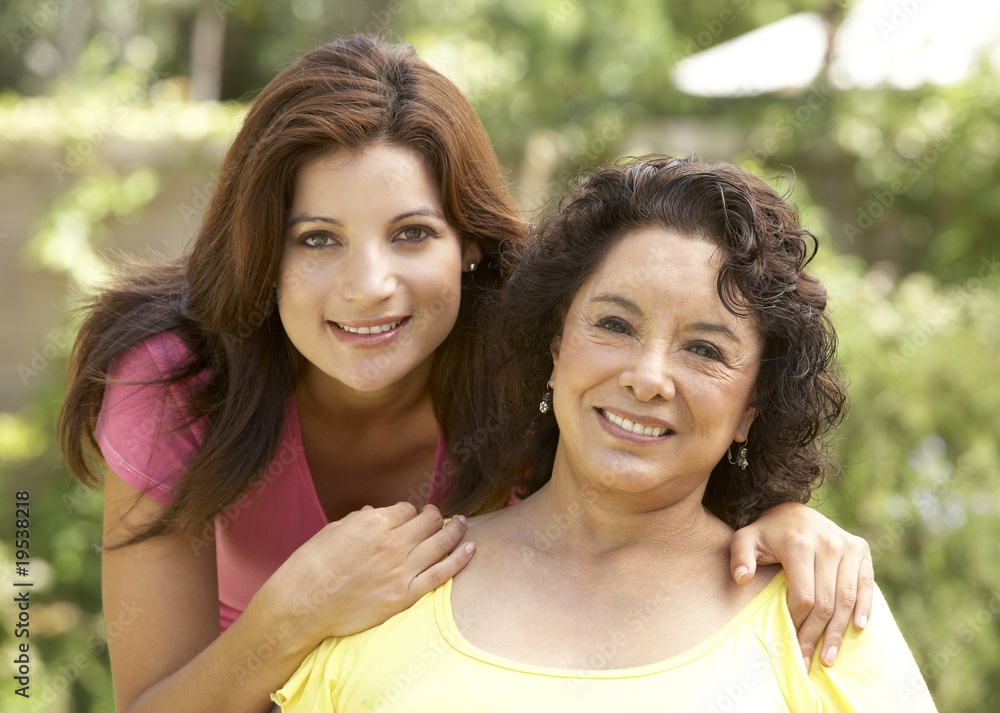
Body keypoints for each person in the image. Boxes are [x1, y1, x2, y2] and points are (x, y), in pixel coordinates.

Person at [58, 35, 871, 713]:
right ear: (262, 250)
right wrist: (293, 615)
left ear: (470, 241)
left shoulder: (529, 364)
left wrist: (783, 516)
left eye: (411, 233)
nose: (368, 285)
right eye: (317, 238)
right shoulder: (172, 384)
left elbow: (663, 481)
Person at [272, 156, 936, 712]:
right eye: (615, 325)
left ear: (753, 404)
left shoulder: (815, 611)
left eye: (704, 349)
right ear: (556, 341)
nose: (648, 377)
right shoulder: (393, 586)